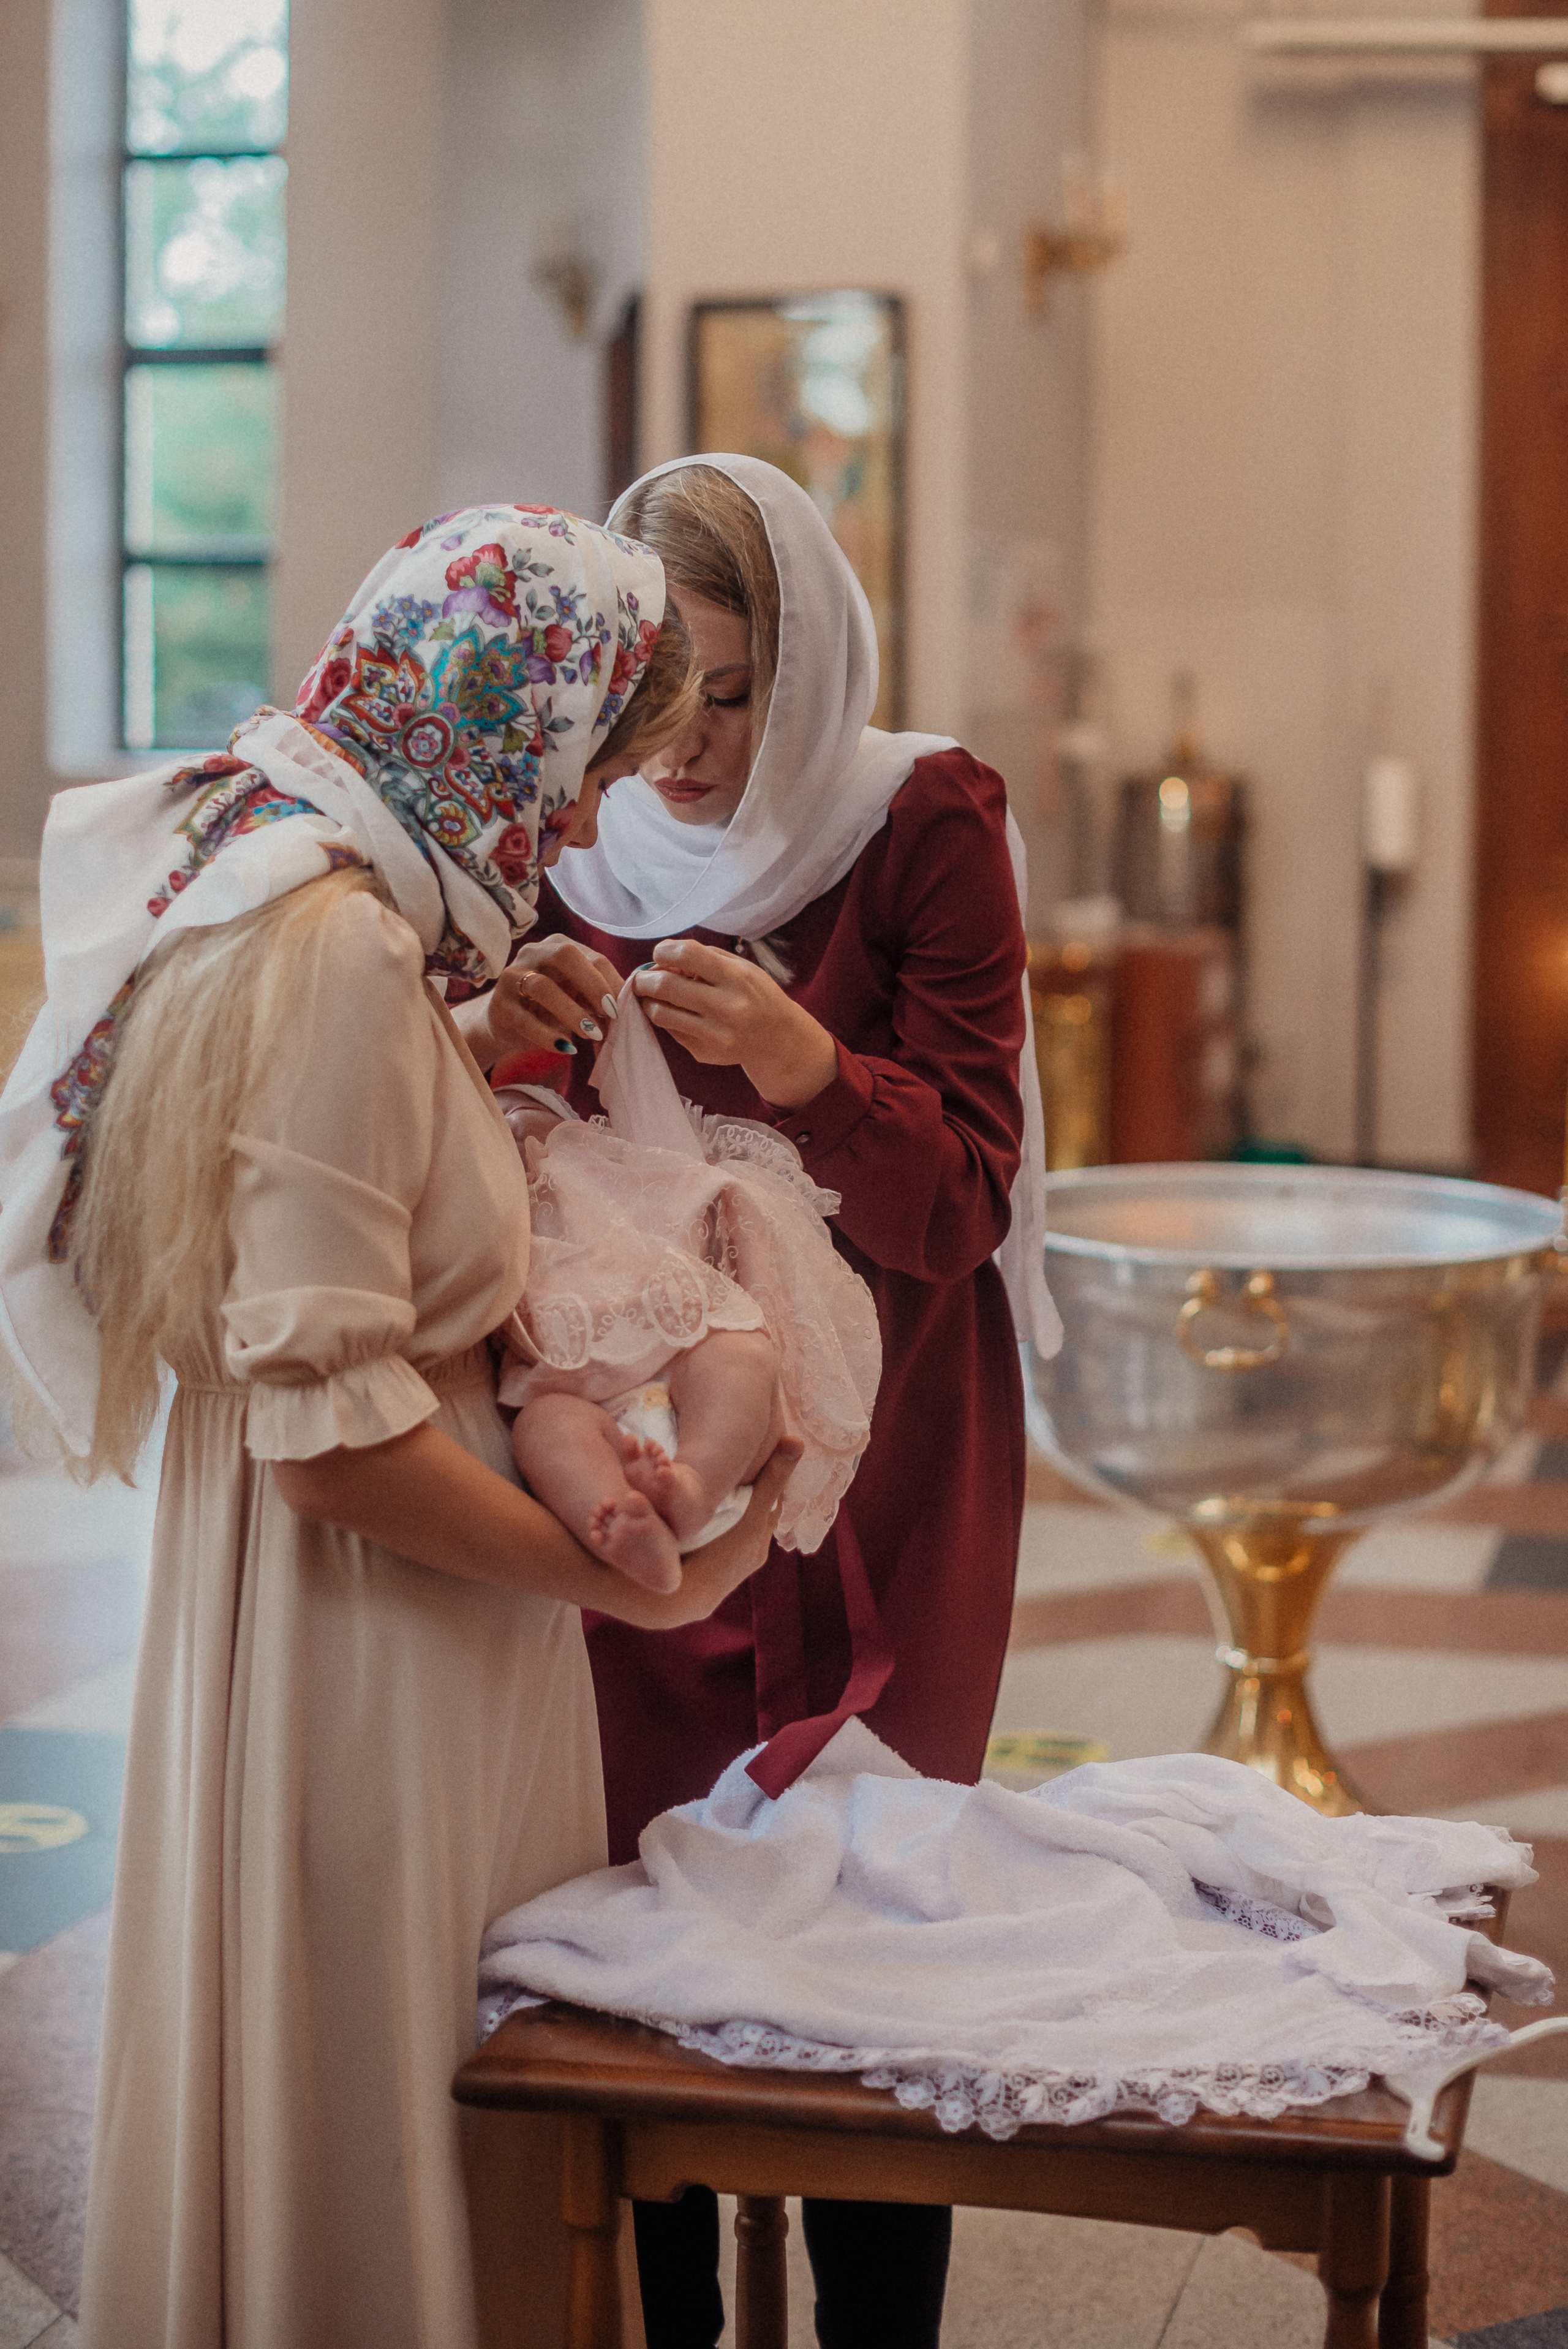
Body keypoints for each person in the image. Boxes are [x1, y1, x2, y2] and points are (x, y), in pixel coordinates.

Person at [0, 504, 797, 2349]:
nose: (593, 819)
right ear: (512, 724)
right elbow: (338, 1441)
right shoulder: (337, 952)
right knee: (389, 2087)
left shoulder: (282, 877)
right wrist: (640, 1593)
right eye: (590, 763)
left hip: (362, 1597)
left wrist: (481, 1059)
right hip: (378, 1630)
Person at [453, 456, 1060, 2349]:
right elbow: (497, 1167)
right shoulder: (570, 842)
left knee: (861, 1917)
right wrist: (498, 1046)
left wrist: (809, 1064)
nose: (690, 749)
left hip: (886, 1454)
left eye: (732, 691)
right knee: (638, 1903)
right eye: (657, 696)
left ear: (805, 666)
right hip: (641, 1431)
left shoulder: (919, 823)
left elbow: (961, 1203)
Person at [499, 983, 881, 1592]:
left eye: (526, 1118)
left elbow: (693, 1189)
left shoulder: (625, 1172)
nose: (520, 1136)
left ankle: (694, 1484)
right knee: (542, 1429)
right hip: (579, 1399)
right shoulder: (499, 1208)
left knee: (741, 1354)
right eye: (505, 1124)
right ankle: (615, 1518)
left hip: (684, 1379)